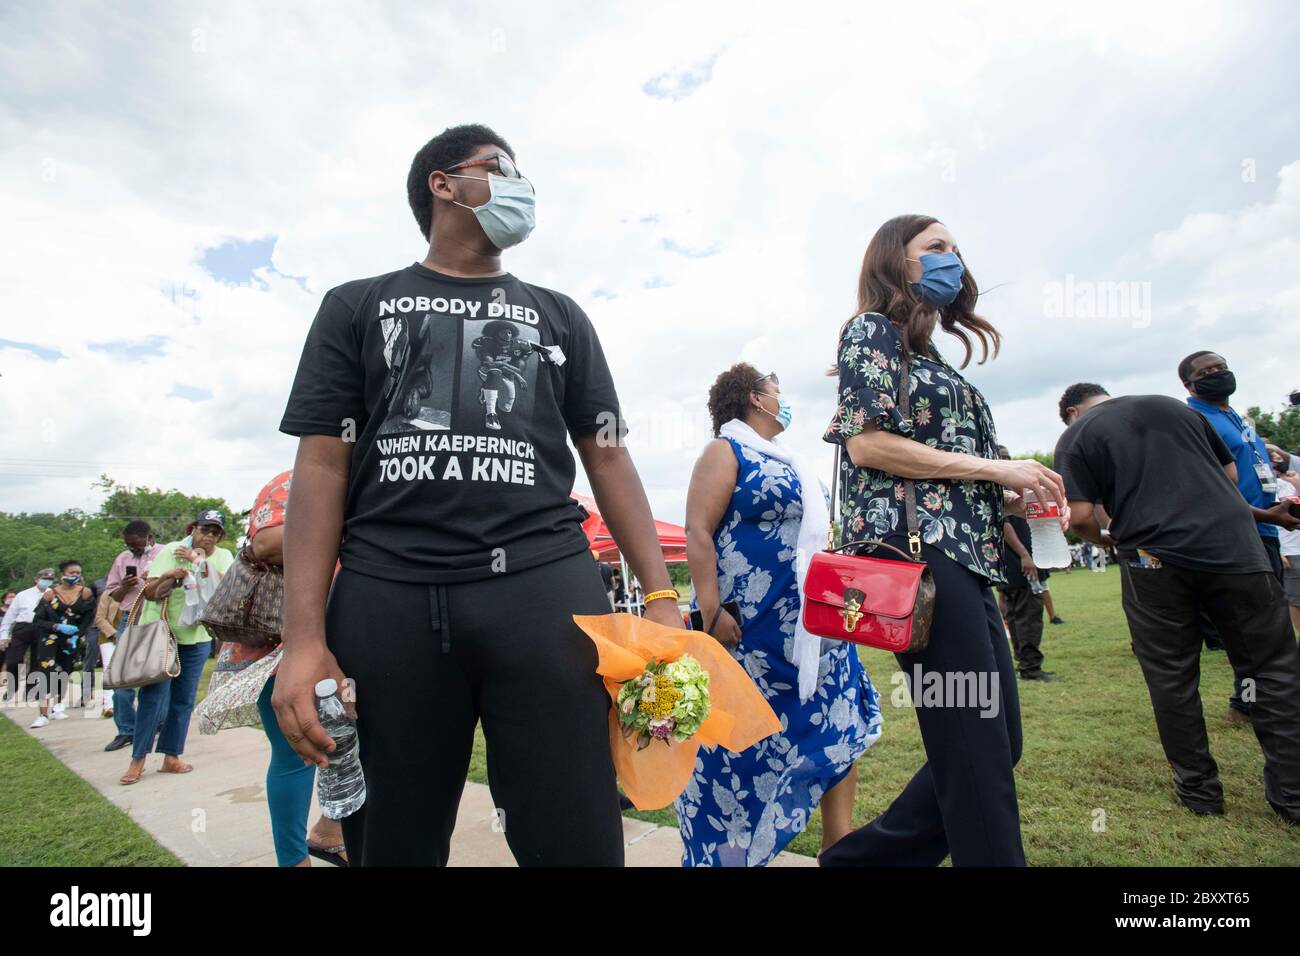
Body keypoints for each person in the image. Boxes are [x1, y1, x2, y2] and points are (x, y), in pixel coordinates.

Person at [273, 124, 684, 867]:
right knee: (391, 841)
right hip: (386, 599)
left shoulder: (559, 314)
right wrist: (304, 641)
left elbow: (609, 457)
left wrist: (659, 594)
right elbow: (323, 467)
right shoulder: (355, 305)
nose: (520, 186)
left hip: (544, 592)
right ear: (442, 183)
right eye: (499, 170)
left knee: (577, 836)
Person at [818, 214, 1068, 867]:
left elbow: (949, 469)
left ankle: (854, 864)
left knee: (995, 743)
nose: (952, 258)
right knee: (977, 758)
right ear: (895, 260)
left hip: (969, 560)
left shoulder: (928, 357)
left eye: (956, 247)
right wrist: (995, 468)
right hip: (918, 560)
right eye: (936, 247)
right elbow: (867, 444)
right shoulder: (869, 332)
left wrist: (1012, 495)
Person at [1055, 384, 1300, 822]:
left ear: (1072, 411)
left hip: (1153, 560)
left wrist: (1109, 538)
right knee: (1272, 670)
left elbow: (1081, 516)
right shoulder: (1176, 408)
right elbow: (1229, 476)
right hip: (1233, 548)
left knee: (1171, 676)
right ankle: (1292, 796)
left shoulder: (1076, 436)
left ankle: (1200, 793)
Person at [678, 363, 882, 866]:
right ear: (755, 398)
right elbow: (697, 531)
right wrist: (709, 609)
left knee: (840, 728)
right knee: (744, 748)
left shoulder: (789, 458)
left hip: (818, 630)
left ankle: (839, 847)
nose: (783, 398)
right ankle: (729, 852)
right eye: (777, 391)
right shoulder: (725, 452)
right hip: (753, 633)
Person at [194, 471, 348, 866]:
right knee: (296, 751)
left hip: (345, 638)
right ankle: (293, 860)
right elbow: (266, 542)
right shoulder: (292, 481)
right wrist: (358, 533)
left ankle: (329, 832)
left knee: (349, 746)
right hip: (281, 642)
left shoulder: (367, 477)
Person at [1180, 351, 1300, 723]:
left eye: (1221, 367)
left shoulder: (1237, 419)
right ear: (1188, 384)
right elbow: (1208, 487)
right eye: (1207, 372)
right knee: (1253, 628)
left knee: (1267, 624)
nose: (1218, 374)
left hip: (1264, 528)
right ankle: (1247, 705)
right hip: (1236, 531)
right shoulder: (1197, 420)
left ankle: (1257, 701)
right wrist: (1266, 515)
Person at [120, 511, 233, 785]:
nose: (209, 536)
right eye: (204, 529)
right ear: (193, 528)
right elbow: (148, 592)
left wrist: (199, 562)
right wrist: (169, 575)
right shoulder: (172, 550)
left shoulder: (223, 556)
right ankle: (138, 759)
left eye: (215, 532)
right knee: (153, 698)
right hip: (163, 634)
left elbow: (227, 589)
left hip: (197, 639)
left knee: (183, 701)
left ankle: (171, 756)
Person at [101, 521, 166, 751]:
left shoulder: (165, 553)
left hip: (157, 619)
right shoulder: (121, 559)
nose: (133, 550)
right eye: (129, 546)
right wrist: (125, 586)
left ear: (149, 537)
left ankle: (159, 723)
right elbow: (114, 596)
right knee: (122, 677)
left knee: (159, 675)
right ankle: (126, 729)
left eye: (137, 545)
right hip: (129, 618)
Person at [996, 449, 1055, 682]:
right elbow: (1006, 526)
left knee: (1016, 614)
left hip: (1009, 567)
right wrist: (1024, 555)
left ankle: (1025, 664)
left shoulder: (999, 488)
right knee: (1028, 614)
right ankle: (1030, 666)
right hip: (1021, 564)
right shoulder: (1004, 489)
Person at [29, 561, 95, 727]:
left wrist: (78, 635)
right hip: (50, 638)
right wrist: (56, 626)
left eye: (78, 572)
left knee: (64, 671)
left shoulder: (85, 593)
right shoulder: (50, 594)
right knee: (46, 672)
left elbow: (88, 618)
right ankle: (43, 714)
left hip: (70, 640)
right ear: (63, 574)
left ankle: (57, 707)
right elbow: (37, 620)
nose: (75, 575)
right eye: (71, 572)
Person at [1, 569, 56, 700]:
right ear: (36, 579)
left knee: (38, 661)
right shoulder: (23, 595)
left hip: (42, 628)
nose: (47, 581)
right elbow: (10, 617)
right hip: (22, 628)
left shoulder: (53, 595)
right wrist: (3, 636)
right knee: (13, 660)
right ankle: (12, 688)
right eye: (44, 578)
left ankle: (31, 690)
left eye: (50, 579)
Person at [1269, 444, 1300, 638]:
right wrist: (1280, 549)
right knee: (1295, 598)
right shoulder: (1273, 487)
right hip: (1290, 548)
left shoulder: (1292, 482)